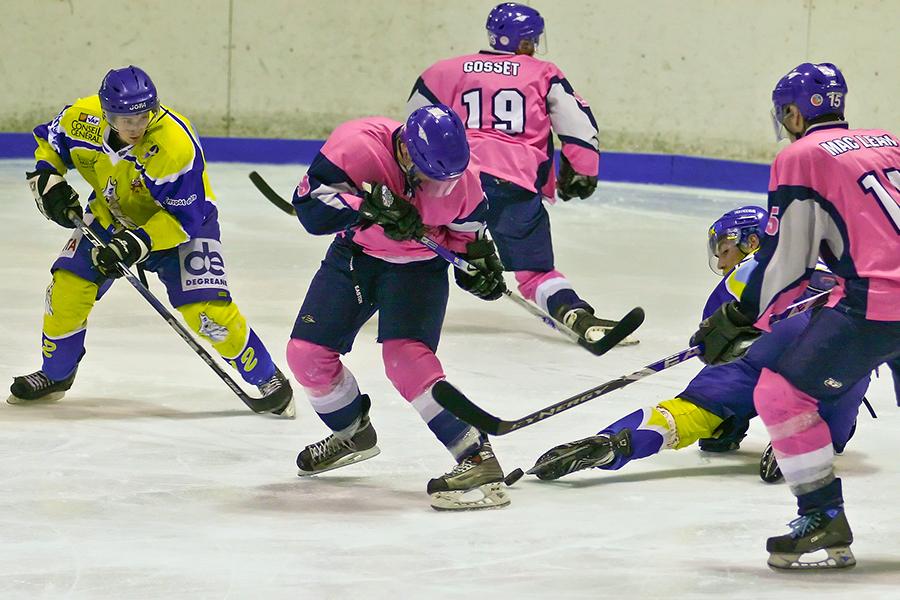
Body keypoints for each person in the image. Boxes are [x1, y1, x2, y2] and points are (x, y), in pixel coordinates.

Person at [690, 63, 900, 570]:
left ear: (791, 112)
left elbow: (788, 258)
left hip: (879, 302)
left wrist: (743, 316)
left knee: (779, 394)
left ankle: (821, 514)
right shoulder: (888, 140)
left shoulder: (800, 155)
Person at [9, 65, 294, 417]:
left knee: (207, 313)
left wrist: (134, 244)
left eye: (143, 116)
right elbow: (50, 145)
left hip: (184, 229)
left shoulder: (173, 146)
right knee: (68, 288)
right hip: (109, 219)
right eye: (124, 118)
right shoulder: (82, 119)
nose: (135, 126)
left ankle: (268, 378)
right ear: (105, 111)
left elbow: (182, 218)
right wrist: (46, 178)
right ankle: (56, 374)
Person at [528, 206, 868, 484]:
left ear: (751, 241)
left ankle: (614, 442)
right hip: (833, 364)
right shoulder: (834, 261)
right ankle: (803, 436)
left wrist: (728, 419)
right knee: (840, 399)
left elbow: (716, 352)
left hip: (756, 360)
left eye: (725, 251)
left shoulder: (745, 272)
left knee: (691, 411)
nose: (721, 263)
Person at [287, 103, 511, 510]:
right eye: (430, 176)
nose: (440, 186)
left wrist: (478, 265)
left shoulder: (462, 180)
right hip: (357, 254)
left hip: (418, 269)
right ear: (407, 151)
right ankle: (352, 432)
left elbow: (466, 238)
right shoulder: (357, 146)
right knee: (306, 355)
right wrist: (368, 207)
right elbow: (309, 205)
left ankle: (476, 456)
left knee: (406, 360)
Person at [406, 3, 612, 344]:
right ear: (523, 41)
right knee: (536, 271)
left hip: (454, 180)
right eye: (531, 39)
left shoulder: (446, 70)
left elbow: (416, 126)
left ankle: (396, 308)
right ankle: (574, 312)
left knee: (423, 248)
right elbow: (578, 124)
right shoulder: (542, 72)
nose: (533, 45)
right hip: (513, 184)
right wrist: (583, 170)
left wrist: (409, 178)